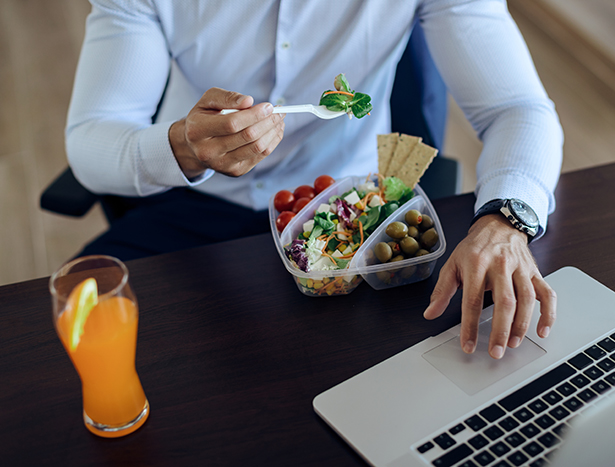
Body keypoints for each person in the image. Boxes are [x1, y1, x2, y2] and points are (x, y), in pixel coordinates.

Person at [65, 0, 563, 360]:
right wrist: (183, 147)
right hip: (198, 203)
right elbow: (92, 136)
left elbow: (516, 107)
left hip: (355, 218)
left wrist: (506, 218)